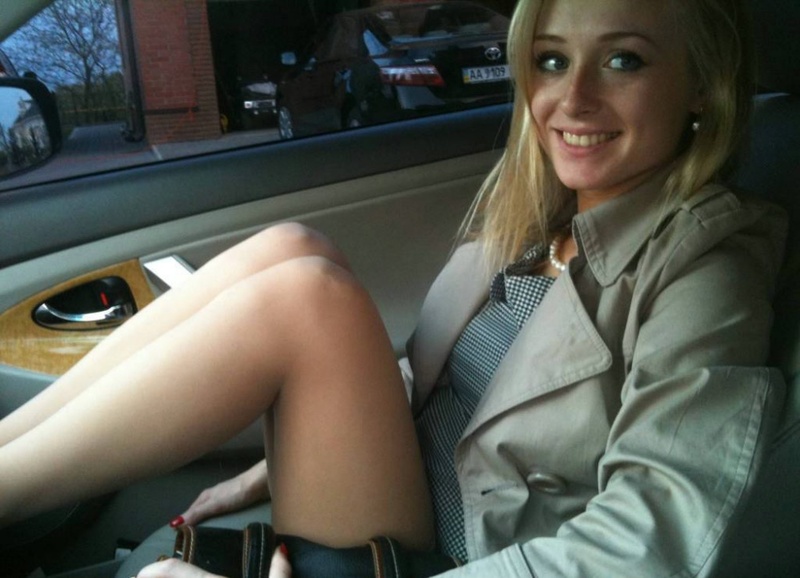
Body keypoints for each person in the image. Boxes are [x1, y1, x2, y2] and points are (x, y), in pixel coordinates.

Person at [0, 0, 788, 576]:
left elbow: (653, 539)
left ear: (701, 84)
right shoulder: (542, 220)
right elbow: (443, 387)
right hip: (405, 486)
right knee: (295, 246)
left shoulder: (707, 265)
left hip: (455, 556)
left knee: (310, 299)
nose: (572, 98)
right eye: (552, 60)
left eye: (624, 61)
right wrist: (281, 463)